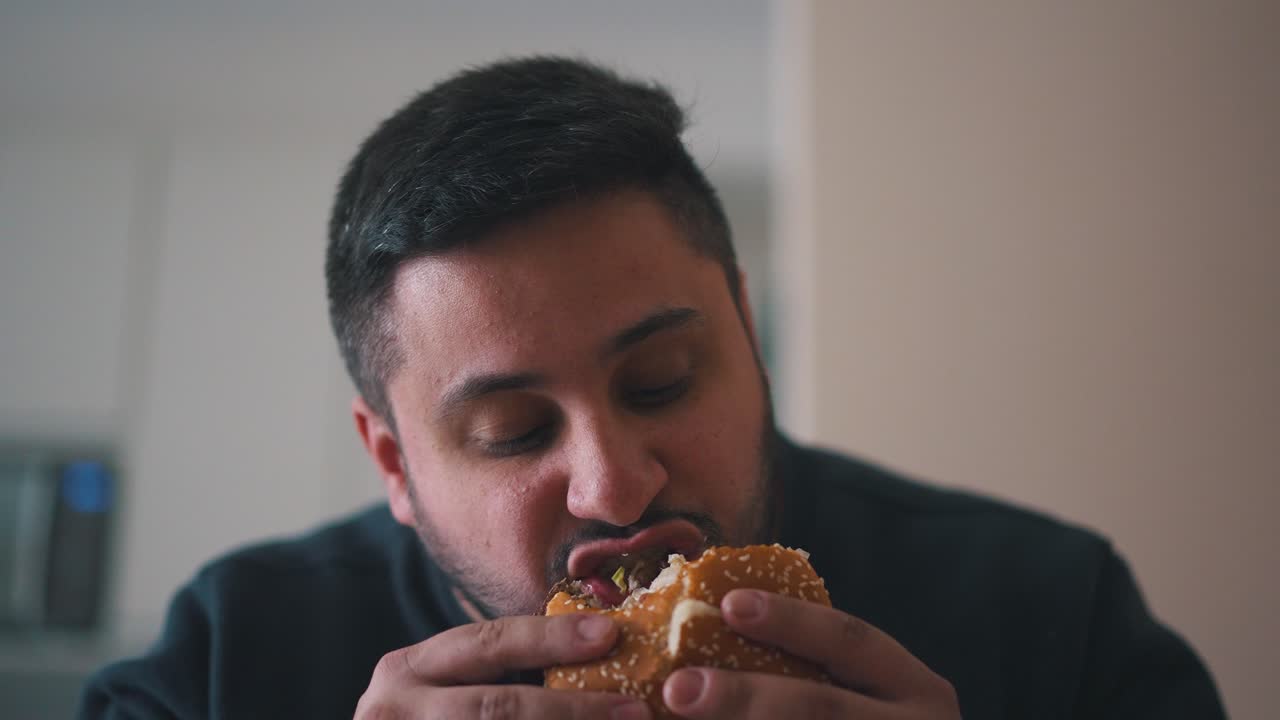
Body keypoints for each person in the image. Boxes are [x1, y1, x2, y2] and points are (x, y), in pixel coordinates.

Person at [79, 56, 1225, 719]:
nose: (615, 487)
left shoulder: (1055, 617)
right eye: (512, 430)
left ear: (747, 335)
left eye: (662, 381)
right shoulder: (224, 661)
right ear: (393, 461)